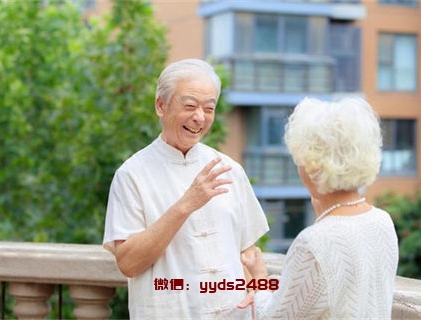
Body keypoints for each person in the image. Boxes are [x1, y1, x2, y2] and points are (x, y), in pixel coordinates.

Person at [103, 58, 269, 319]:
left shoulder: (230, 169)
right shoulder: (132, 175)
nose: (199, 117)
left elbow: (249, 253)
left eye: (209, 108)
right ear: (161, 105)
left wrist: (257, 292)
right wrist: (186, 204)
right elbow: (128, 263)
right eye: (190, 106)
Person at [238, 97, 399, 319]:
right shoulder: (382, 221)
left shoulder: (314, 242)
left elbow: (275, 317)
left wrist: (259, 278)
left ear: (312, 163)